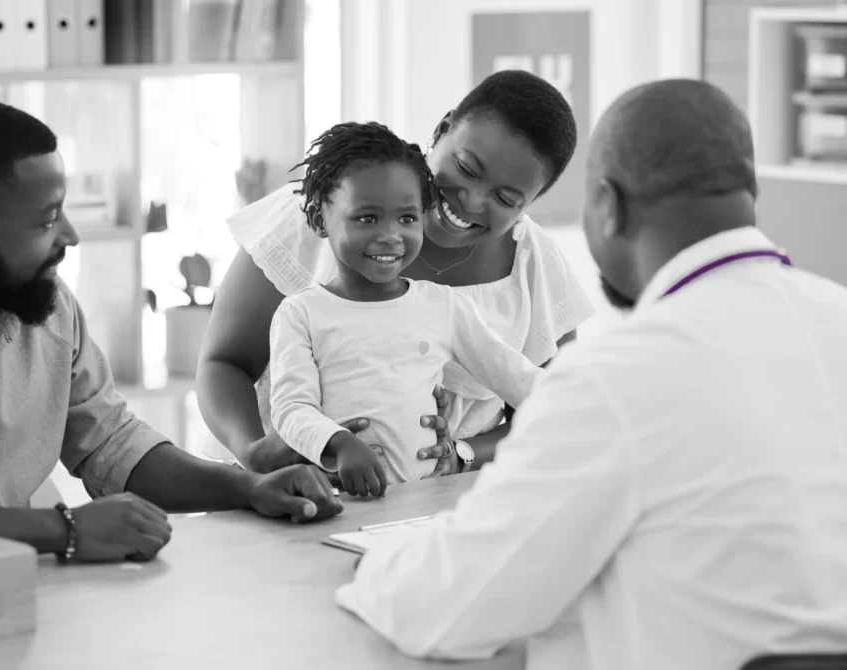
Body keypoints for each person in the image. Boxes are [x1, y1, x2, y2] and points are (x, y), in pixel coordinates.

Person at [335, 79, 847, 670]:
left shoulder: (617, 378)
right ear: (750, 190)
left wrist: (381, 564)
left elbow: (445, 612)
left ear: (607, 205)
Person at [0, 97, 342, 558]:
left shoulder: (43, 304)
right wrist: (59, 529)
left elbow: (111, 446)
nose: (70, 235)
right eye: (46, 220)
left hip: (7, 601)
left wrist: (248, 486)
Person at [198, 70, 595, 477]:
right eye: (467, 167)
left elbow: (554, 410)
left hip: (438, 509)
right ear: (442, 130)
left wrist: (460, 453)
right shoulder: (320, 212)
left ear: (530, 203)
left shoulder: (535, 267)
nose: (472, 201)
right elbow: (224, 364)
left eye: (506, 198)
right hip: (288, 499)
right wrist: (257, 456)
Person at [270, 122, 543, 497]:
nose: (391, 235)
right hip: (335, 502)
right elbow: (290, 409)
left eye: (408, 218)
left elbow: (517, 378)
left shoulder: (443, 306)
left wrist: (592, 401)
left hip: (423, 505)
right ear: (320, 220)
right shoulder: (299, 314)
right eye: (367, 218)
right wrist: (338, 444)